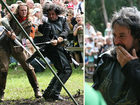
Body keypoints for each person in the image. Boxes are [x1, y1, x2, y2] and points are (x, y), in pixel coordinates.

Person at [93, 7, 140, 105]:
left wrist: (133, 69)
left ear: (137, 37)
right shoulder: (106, 59)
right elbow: (95, 95)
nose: (116, 41)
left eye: (122, 36)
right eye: (114, 35)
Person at [27, 3, 72, 101]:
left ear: (57, 13)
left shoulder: (63, 20)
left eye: (53, 14)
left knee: (62, 70)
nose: (51, 16)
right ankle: (54, 93)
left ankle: (48, 93)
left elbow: (66, 30)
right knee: (66, 70)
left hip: (60, 48)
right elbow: (46, 36)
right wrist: (52, 40)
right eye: (49, 14)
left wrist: (60, 38)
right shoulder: (47, 23)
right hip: (52, 50)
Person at [0, 3, 42, 102]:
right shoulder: (12, 16)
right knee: (3, 69)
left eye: (25, 10)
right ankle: (1, 93)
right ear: (18, 10)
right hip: (4, 44)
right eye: (21, 10)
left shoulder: (28, 23)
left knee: (28, 66)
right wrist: (10, 31)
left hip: (17, 45)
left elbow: (23, 37)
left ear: (27, 11)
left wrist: (15, 37)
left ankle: (37, 89)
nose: (23, 12)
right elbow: (3, 21)